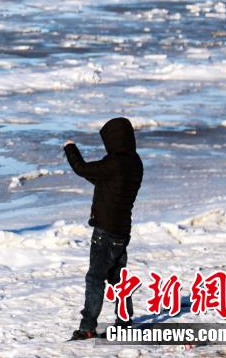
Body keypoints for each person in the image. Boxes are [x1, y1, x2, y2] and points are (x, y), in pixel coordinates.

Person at [63, 117, 143, 340]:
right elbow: (104, 180)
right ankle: (124, 321)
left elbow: (81, 168)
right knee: (118, 280)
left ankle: (87, 327)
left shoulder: (114, 162)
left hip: (104, 233)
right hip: (122, 232)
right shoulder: (135, 162)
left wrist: (70, 148)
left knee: (95, 279)